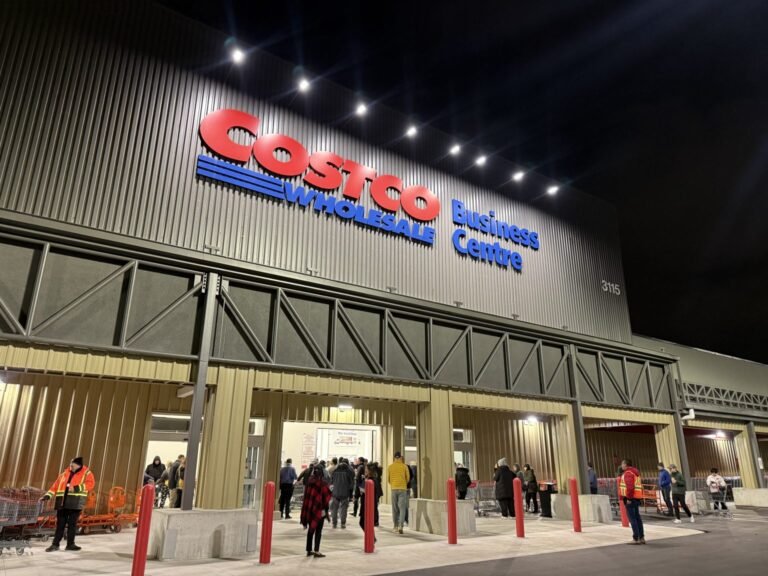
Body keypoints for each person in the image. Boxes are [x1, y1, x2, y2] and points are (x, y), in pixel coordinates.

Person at [40, 456, 96, 552]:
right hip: (62, 503)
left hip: (75, 502)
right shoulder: (64, 474)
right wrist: (47, 496)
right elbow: (55, 486)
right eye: (70, 464)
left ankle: (70, 544)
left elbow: (91, 484)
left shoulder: (87, 473)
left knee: (72, 525)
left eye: (72, 465)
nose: (70, 466)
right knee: (60, 525)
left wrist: (76, 488)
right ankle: (55, 544)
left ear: (79, 465)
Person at [300, 465, 331, 558]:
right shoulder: (322, 483)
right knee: (318, 531)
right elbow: (326, 498)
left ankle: (309, 550)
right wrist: (326, 511)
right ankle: (316, 551)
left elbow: (307, 496)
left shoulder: (309, 482)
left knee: (311, 530)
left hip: (310, 509)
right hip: (320, 510)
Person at [620, 459, 645, 545]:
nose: (621, 466)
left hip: (631, 498)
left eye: (622, 464)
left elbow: (630, 487)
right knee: (637, 518)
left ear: (625, 464)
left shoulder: (628, 473)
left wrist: (629, 499)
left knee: (632, 518)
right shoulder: (635, 472)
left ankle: (636, 538)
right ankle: (641, 537)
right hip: (637, 497)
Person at [388, 451, 411, 534]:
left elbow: (388, 479)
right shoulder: (404, 466)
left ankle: (395, 526)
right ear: (400, 457)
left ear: (394, 458)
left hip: (394, 488)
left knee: (395, 509)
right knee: (402, 508)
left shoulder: (390, 467)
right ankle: (401, 526)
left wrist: (393, 484)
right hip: (403, 489)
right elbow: (408, 478)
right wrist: (403, 483)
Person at [359, 462, 383, 535]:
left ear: (369, 470)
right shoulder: (373, 479)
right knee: (365, 523)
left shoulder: (370, 480)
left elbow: (364, 490)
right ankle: (371, 537)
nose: (365, 470)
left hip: (367, 505)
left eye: (366, 469)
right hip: (368, 504)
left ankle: (371, 537)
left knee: (364, 522)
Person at [330, 457, 355, 529]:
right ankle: (343, 523)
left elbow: (331, 482)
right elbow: (351, 485)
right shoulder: (348, 473)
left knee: (334, 509)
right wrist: (350, 493)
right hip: (345, 493)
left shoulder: (334, 472)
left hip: (335, 493)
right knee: (344, 508)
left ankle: (334, 523)